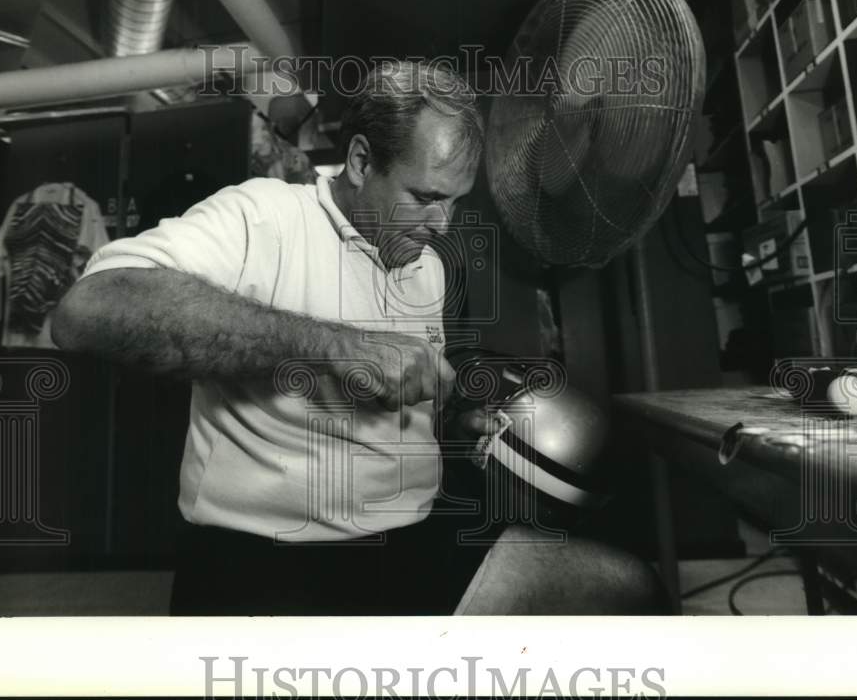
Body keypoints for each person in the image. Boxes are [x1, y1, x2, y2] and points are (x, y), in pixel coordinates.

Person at [52, 60, 664, 615]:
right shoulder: (263, 215)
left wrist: (455, 421)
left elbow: (405, 407)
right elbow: (90, 310)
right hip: (272, 558)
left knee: (627, 584)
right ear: (363, 161)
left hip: (413, 541)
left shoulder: (430, 265)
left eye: (453, 203)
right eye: (424, 198)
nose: (441, 225)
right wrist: (337, 347)